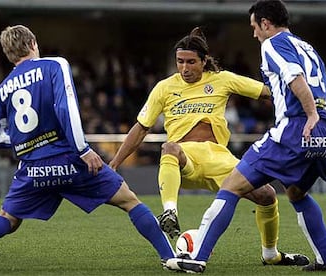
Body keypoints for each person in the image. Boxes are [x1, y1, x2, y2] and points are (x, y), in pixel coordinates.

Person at [0, 25, 175, 271]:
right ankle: (169, 256)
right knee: (129, 201)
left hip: (33, 167)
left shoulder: (1, 90)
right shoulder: (54, 65)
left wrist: (24, 141)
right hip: (69, 158)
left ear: (8, 54)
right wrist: (83, 149)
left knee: (8, 218)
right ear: (33, 43)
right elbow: (65, 108)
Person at [165, 0, 326, 273]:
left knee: (232, 186)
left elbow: (295, 78)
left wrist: (310, 114)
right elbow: (314, 82)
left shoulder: (272, 44)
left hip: (298, 127)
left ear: (266, 23)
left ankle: (196, 259)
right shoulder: (306, 46)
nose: (254, 33)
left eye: (254, 27)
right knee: (296, 193)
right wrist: (317, 112)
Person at [109, 27, 309, 266]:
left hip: (219, 159)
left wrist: (312, 92)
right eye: (180, 61)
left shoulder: (222, 79)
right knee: (169, 147)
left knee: (267, 196)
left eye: (191, 62)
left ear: (204, 61)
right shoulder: (164, 87)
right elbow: (141, 127)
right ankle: (170, 212)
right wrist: (115, 162)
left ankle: (271, 255)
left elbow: (268, 92)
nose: (184, 68)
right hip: (185, 159)